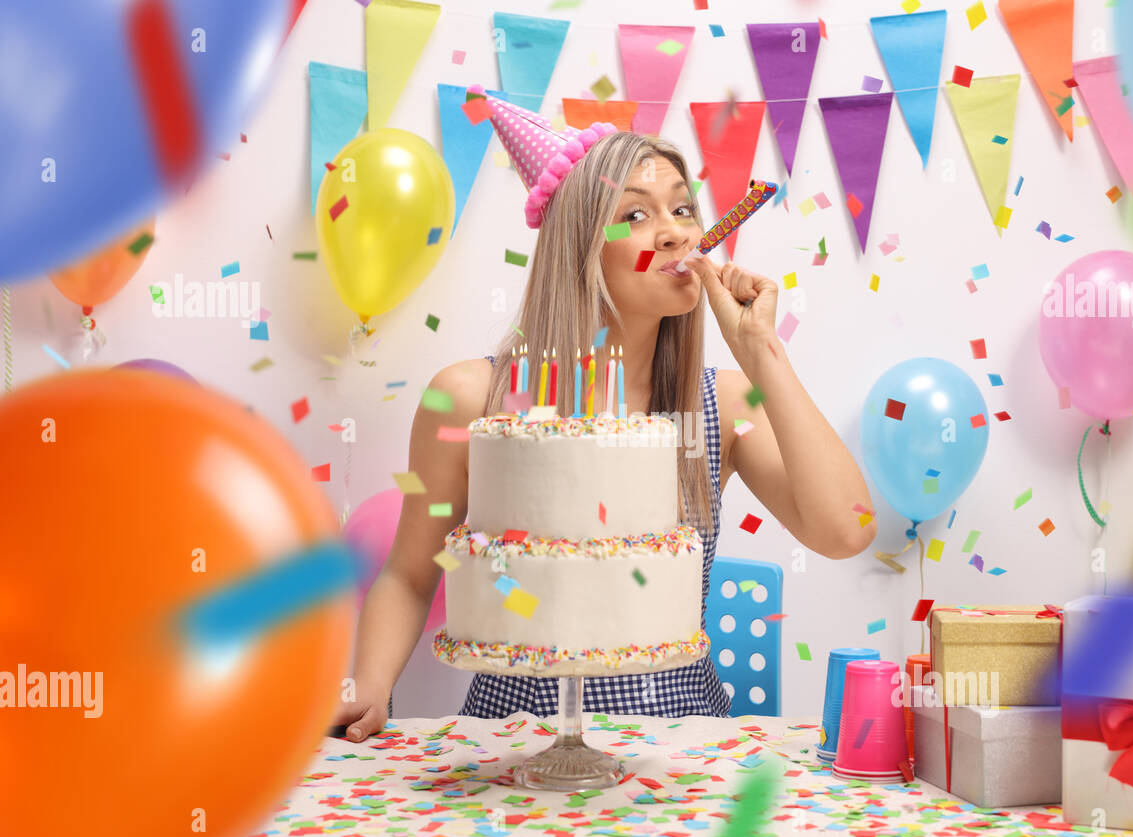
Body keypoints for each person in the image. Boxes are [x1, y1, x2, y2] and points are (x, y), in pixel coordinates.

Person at [334, 88, 875, 741]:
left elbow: (848, 531)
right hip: (515, 743)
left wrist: (763, 353)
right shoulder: (470, 398)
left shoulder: (724, 405)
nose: (676, 229)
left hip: (683, 752)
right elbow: (409, 573)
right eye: (638, 214)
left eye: (682, 207)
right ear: (582, 243)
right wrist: (368, 689)